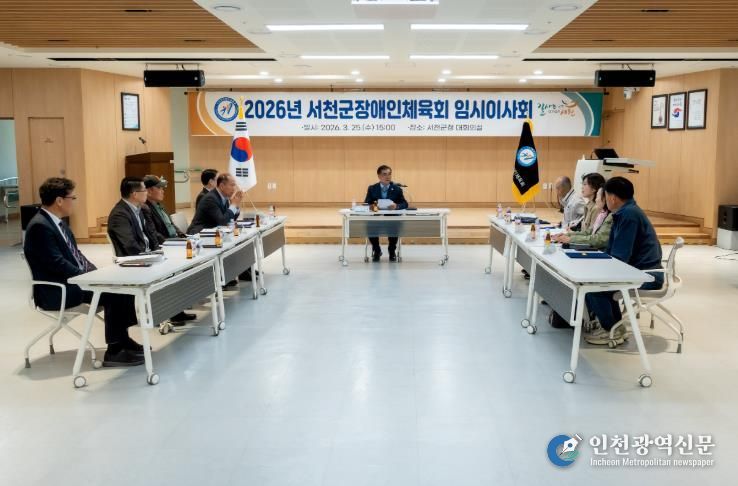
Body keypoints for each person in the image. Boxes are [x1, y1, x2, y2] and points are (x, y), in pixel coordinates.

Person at [23, 177, 143, 367]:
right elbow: (57, 263)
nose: (74, 202)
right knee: (114, 292)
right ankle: (114, 350)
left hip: (72, 282)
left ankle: (123, 340)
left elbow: (77, 255)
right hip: (58, 290)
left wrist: (96, 273)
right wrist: (88, 278)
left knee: (122, 286)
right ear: (59, 200)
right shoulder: (40, 227)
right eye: (72, 198)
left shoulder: (58, 223)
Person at [585, 177, 664, 346]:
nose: (604, 200)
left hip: (647, 276)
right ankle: (615, 327)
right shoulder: (625, 212)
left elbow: (620, 257)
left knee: (593, 286)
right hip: (639, 271)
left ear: (612, 198)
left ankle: (611, 330)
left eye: (605, 196)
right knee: (596, 281)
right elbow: (613, 251)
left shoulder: (628, 216)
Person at [109, 177, 196, 325]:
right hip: (133, 261)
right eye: (144, 190)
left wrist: (158, 250)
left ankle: (175, 310)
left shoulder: (139, 209)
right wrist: (151, 255)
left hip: (148, 255)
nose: (146, 193)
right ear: (134, 194)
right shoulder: (120, 214)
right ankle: (167, 312)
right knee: (171, 267)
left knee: (179, 263)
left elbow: (150, 235)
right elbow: (130, 246)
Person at [187, 173, 254, 283]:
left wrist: (236, 205)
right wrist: (233, 205)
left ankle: (238, 271)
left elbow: (230, 218)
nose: (234, 188)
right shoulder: (211, 198)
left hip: (214, 232)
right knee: (231, 242)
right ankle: (225, 276)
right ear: (222, 186)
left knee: (241, 239)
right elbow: (222, 221)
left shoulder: (223, 197)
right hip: (199, 233)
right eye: (232, 185)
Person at [364, 164, 408, 262]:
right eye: (384, 174)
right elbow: (367, 203)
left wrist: (396, 206)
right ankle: (377, 250)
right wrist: (375, 206)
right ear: (379, 176)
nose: (388, 176)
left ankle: (392, 251)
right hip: (376, 217)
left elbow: (405, 203)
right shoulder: (372, 188)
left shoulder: (397, 189)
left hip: (392, 218)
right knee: (370, 226)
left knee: (394, 225)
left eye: (389, 174)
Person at [142, 174, 185, 244]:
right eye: (159, 188)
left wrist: (182, 236)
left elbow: (171, 224)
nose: (163, 191)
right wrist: (171, 242)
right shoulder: (145, 209)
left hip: (175, 240)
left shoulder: (160, 205)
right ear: (149, 192)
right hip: (166, 243)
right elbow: (153, 233)